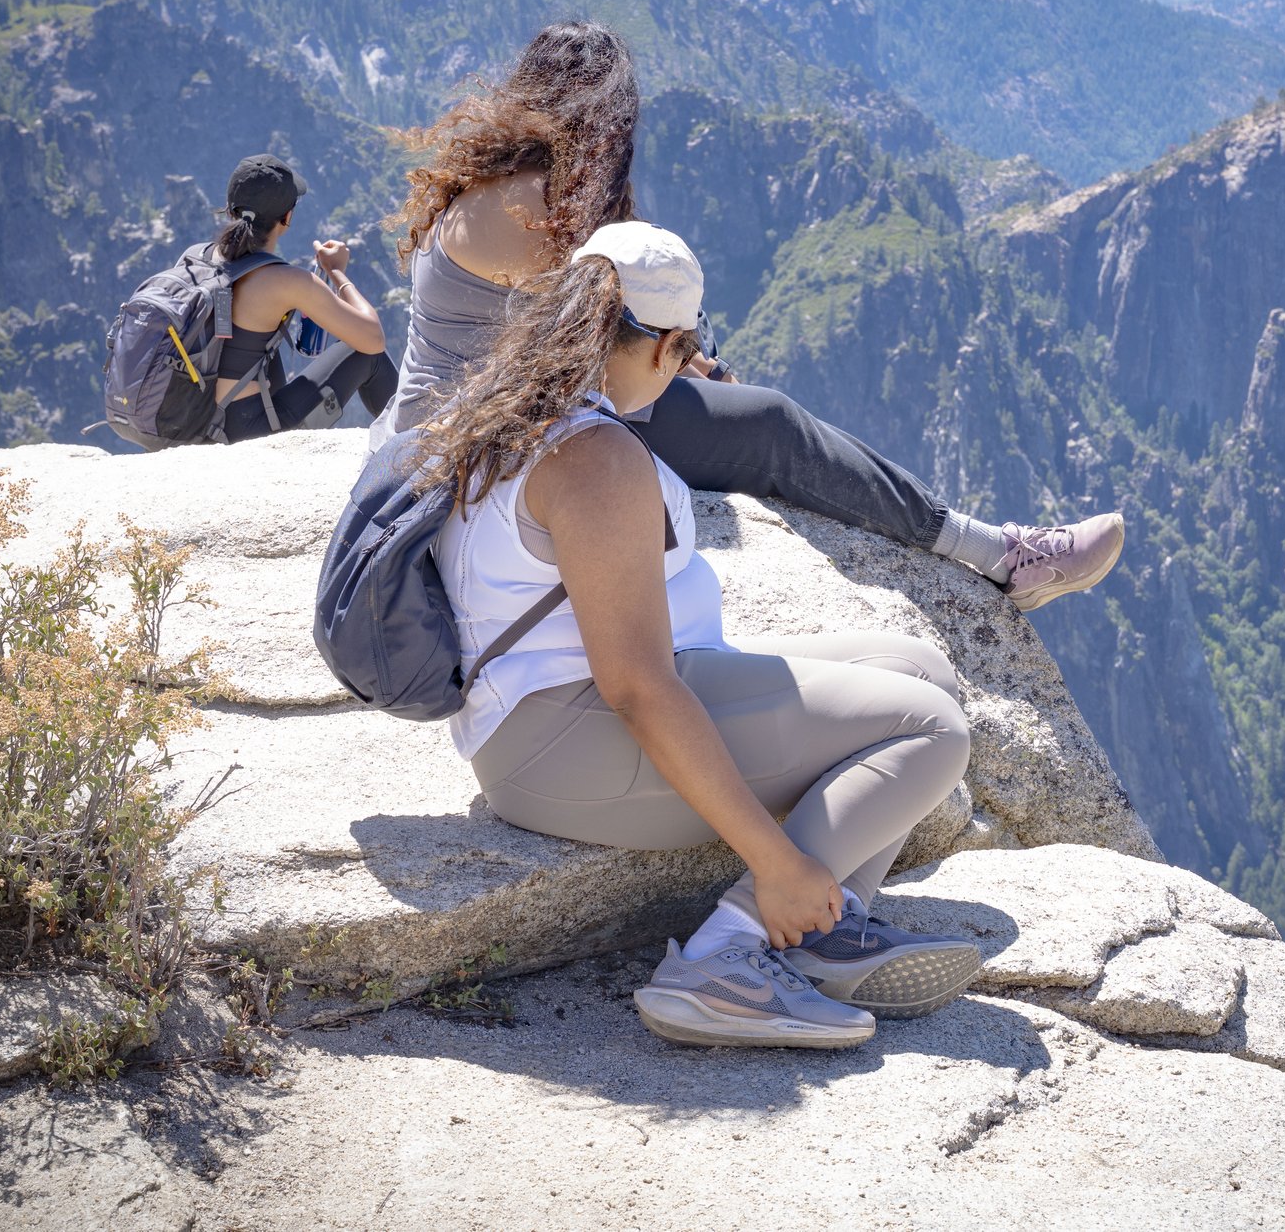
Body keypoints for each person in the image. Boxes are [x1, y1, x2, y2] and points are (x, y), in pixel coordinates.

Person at [417, 221, 986, 1048]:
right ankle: (728, 956)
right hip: (569, 745)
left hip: (550, 723)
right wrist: (778, 864)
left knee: (918, 668)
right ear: (666, 344)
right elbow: (638, 688)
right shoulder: (595, 458)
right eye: (686, 354)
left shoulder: (517, 403)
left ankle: (823, 930)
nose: (688, 372)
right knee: (934, 731)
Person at [386, 21, 1124, 611]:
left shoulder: (503, 186)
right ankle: (1003, 556)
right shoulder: (530, 210)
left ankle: (997, 548)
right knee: (770, 429)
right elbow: (595, 330)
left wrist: (689, 361)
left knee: (746, 412)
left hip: (485, 414)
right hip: (482, 443)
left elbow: (608, 324)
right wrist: (691, 369)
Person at [210, 153, 399, 439]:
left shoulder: (196, 259)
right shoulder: (286, 281)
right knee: (365, 354)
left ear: (230, 210)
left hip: (199, 420)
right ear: (287, 218)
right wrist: (336, 272)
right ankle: (422, 450)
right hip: (246, 432)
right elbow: (373, 340)